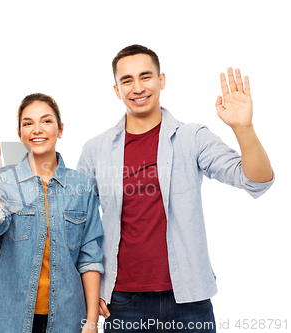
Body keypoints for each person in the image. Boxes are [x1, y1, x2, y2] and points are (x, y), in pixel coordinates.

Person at [77, 44, 274, 332]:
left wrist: (243, 128)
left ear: (162, 80)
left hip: (190, 301)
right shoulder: (96, 149)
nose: (137, 87)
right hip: (122, 301)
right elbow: (81, 225)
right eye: (127, 80)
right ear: (117, 90)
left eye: (145, 76)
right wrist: (93, 292)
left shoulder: (191, 137)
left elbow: (257, 180)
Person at [0, 93, 104, 333]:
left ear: (61, 129)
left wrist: (90, 321)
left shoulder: (82, 185)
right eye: (28, 123)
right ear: (19, 133)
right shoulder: (5, 180)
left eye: (46, 121)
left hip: (68, 318)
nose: (37, 129)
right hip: (13, 319)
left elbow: (90, 257)